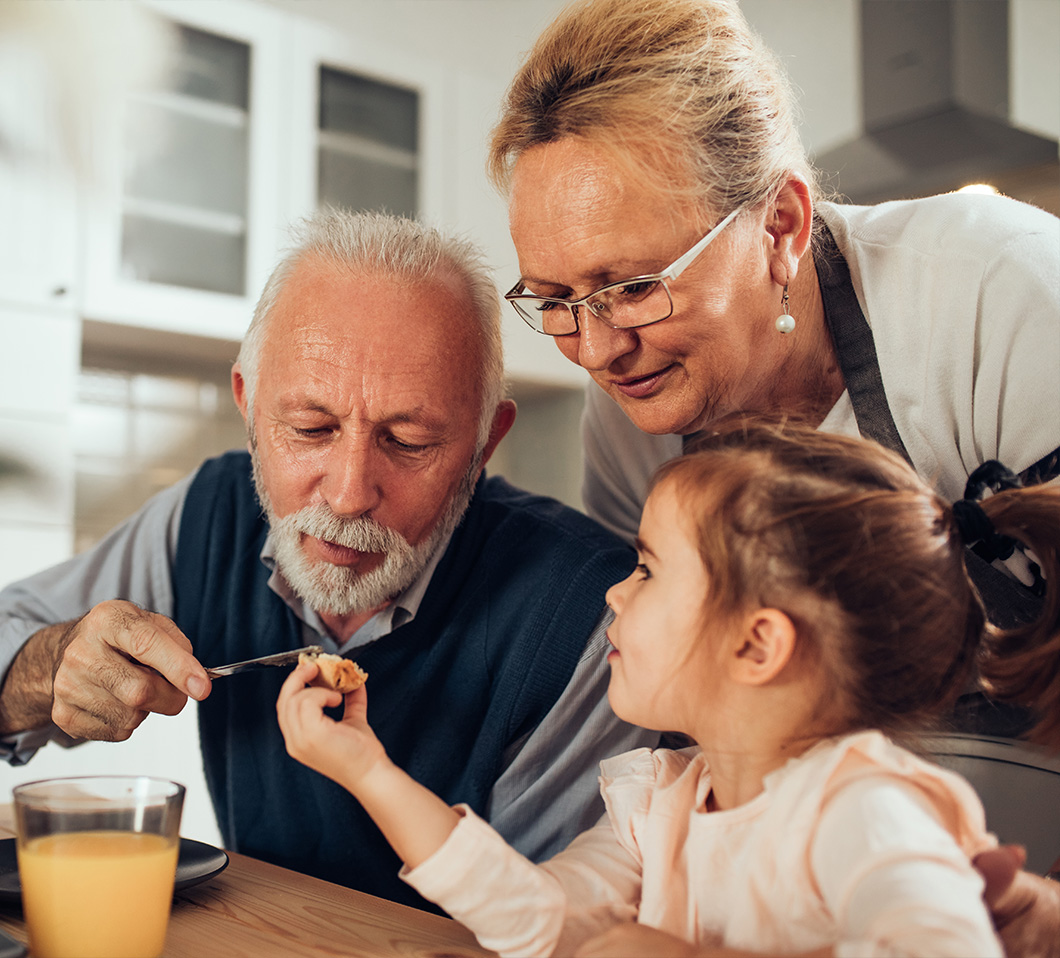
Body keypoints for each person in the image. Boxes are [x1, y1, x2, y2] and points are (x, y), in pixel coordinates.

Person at [0, 209, 657, 910]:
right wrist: (46, 668)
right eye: (311, 429)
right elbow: (17, 636)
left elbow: (546, 925)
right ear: (248, 408)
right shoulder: (206, 515)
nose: (348, 495)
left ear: (483, 443)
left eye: (407, 441)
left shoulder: (592, 616)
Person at [277, 415, 1060, 957]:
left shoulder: (862, 806)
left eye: (647, 569)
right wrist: (366, 769)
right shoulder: (662, 801)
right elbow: (542, 920)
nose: (615, 593)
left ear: (756, 644)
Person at [487, 0, 1059, 641]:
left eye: (637, 286)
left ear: (780, 226)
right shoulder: (631, 434)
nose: (596, 351)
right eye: (557, 299)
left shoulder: (992, 290)